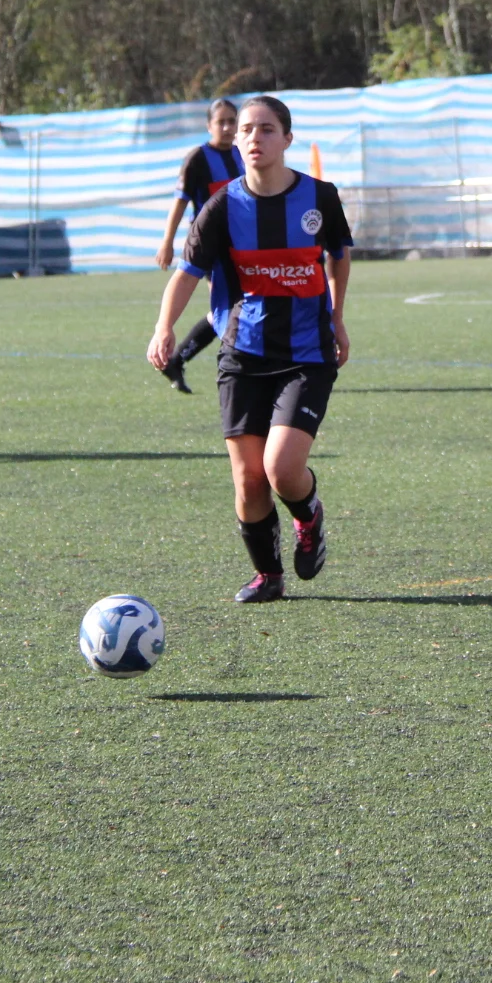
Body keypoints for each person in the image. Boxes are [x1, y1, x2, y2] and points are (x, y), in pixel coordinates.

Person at [147, 96, 351, 603]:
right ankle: (268, 575)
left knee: (281, 468)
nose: (255, 137)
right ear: (235, 140)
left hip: (308, 353)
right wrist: (164, 327)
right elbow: (186, 274)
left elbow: (338, 255)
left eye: (266, 129)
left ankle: (309, 515)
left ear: (287, 138)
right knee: (249, 479)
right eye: (246, 130)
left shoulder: (320, 197)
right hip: (243, 353)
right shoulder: (222, 207)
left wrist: (337, 317)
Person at [153, 98, 244, 393]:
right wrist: (167, 242)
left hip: (243, 245)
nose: (227, 127)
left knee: (233, 307)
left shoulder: (242, 154)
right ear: (209, 126)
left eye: (232, 121)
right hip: (211, 248)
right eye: (221, 122)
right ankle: (237, 371)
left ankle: (178, 360)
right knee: (230, 307)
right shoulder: (198, 159)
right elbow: (180, 202)